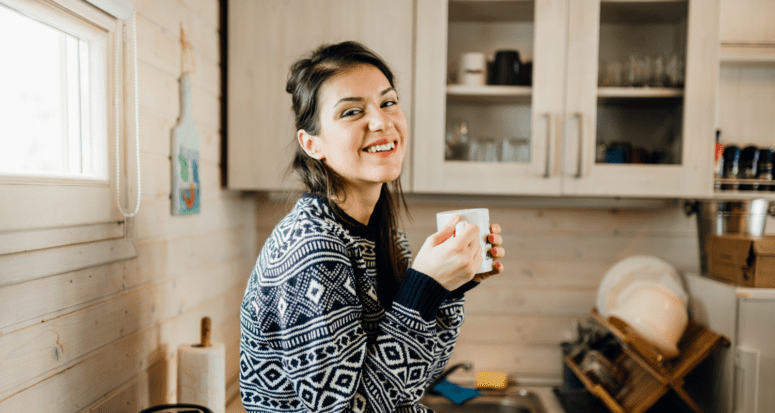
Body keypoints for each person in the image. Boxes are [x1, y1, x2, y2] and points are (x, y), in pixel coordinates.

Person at [239, 41, 505, 413]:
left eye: (388, 102)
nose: (381, 121)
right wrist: (421, 288)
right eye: (351, 112)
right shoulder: (313, 246)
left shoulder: (383, 234)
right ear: (312, 143)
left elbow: (414, 380)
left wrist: (448, 288)